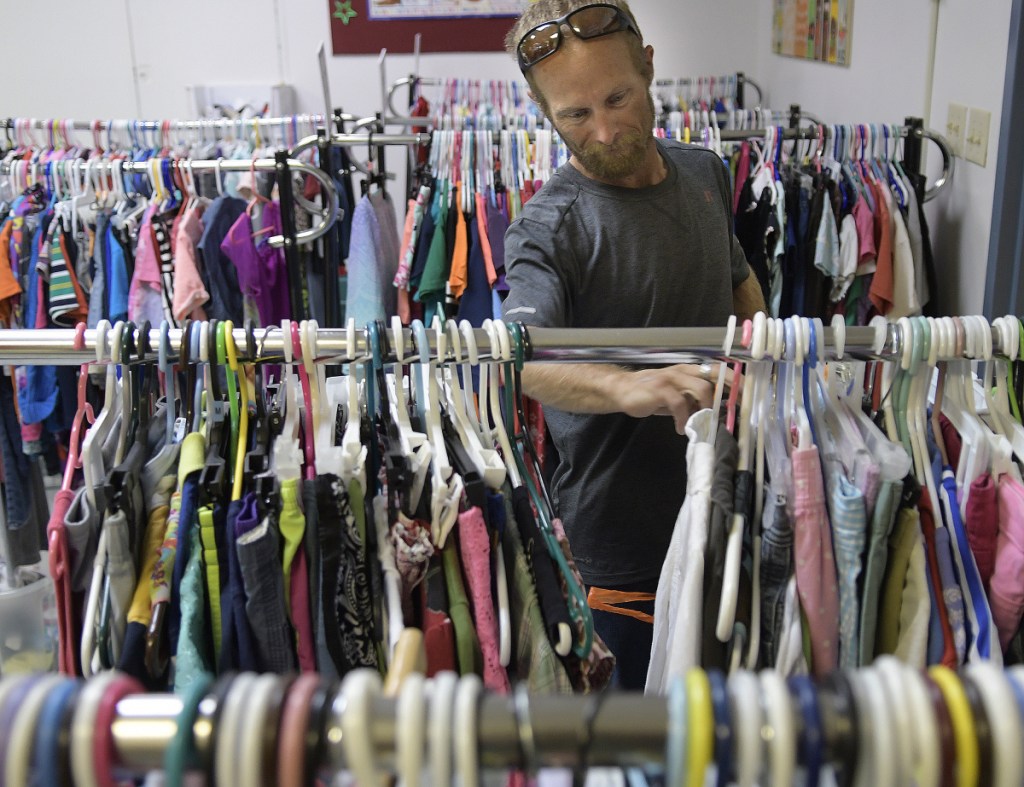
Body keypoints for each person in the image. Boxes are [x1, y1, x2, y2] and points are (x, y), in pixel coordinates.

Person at [501, 0, 766, 689]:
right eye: (575, 115)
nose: (606, 128)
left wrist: (767, 358)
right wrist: (626, 385)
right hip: (624, 549)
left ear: (649, 67)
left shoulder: (705, 173)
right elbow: (518, 355)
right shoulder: (548, 229)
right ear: (545, 115)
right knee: (642, 743)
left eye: (617, 96)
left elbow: (737, 277)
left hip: (731, 503)